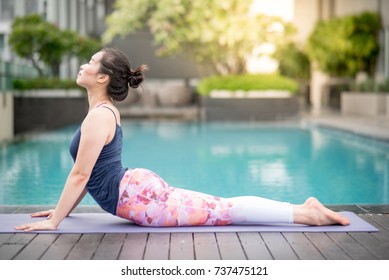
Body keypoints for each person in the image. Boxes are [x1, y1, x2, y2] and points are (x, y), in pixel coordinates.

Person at [15, 48, 350, 232]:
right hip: (135, 191)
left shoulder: (100, 115)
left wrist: (56, 221)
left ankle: (307, 214)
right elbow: (87, 174)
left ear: (102, 77)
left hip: (139, 198)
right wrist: (61, 211)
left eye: (90, 62)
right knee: (222, 207)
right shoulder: (102, 112)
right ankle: (302, 210)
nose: (83, 65)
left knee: (224, 210)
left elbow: (81, 175)